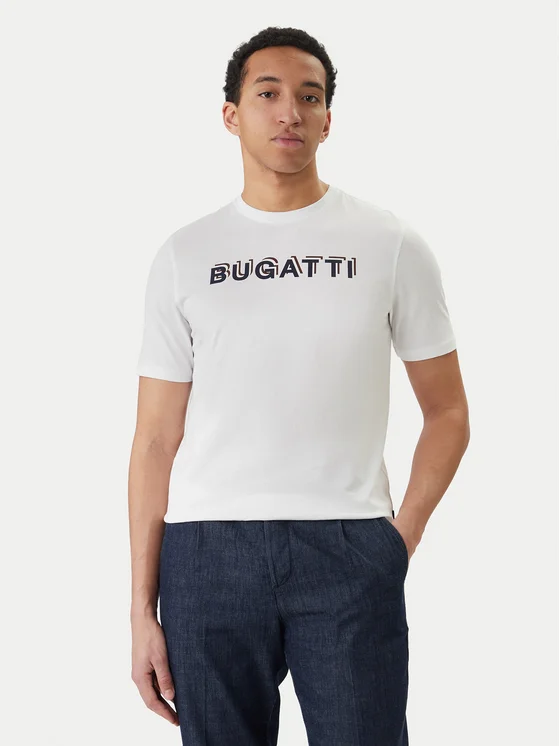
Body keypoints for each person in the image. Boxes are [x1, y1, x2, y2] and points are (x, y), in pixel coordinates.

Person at [128, 25, 470, 746]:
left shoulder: (389, 244)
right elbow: (155, 438)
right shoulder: (186, 255)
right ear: (231, 114)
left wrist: (397, 542)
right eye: (268, 94)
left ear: (327, 120)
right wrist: (141, 608)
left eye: (309, 98)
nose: (290, 112)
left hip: (349, 547)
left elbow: (447, 411)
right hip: (206, 553)